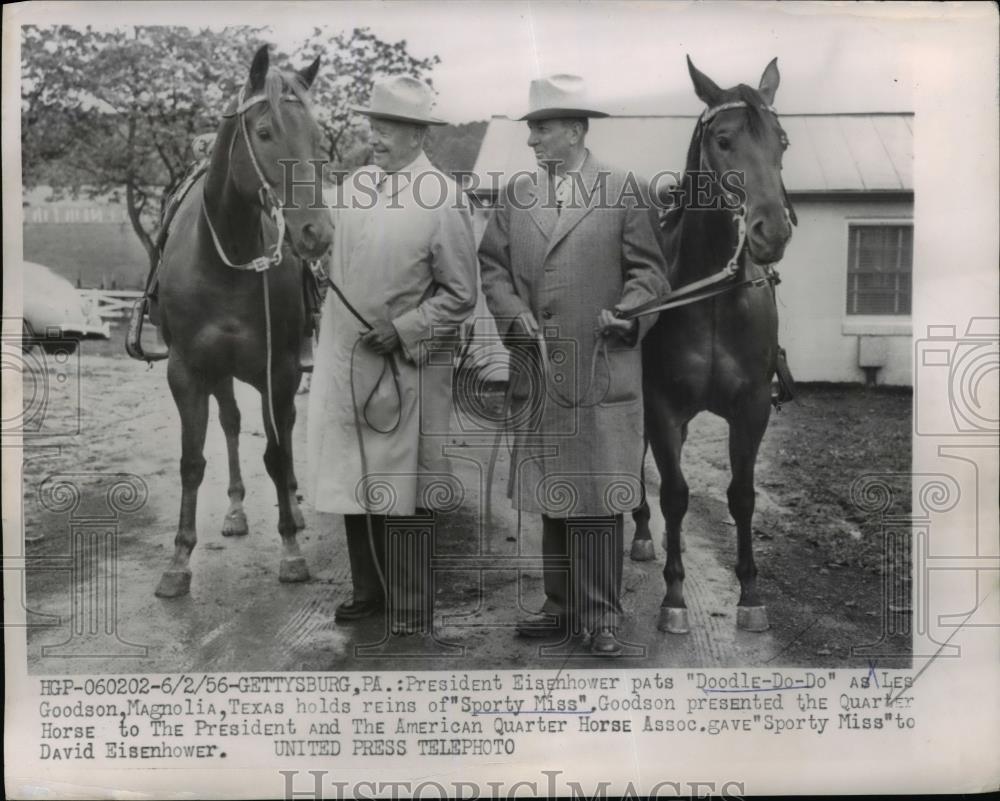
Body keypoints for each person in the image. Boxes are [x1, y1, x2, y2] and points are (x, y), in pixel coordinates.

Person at [478, 74, 669, 656]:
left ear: (576, 130)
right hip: (539, 368)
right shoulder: (515, 196)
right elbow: (493, 268)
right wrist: (513, 316)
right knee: (552, 494)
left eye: (542, 128)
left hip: (600, 367)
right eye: (532, 128)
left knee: (600, 497)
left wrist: (630, 315)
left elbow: (652, 275)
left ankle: (602, 617)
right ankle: (561, 610)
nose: (532, 139)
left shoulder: (624, 190)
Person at [306, 75, 478, 634]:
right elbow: (317, 242)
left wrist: (403, 329)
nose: (375, 136)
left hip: (405, 367)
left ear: (415, 135)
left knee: (405, 487)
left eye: (387, 128)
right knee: (356, 476)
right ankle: (368, 591)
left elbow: (460, 294)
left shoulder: (442, 199)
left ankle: (411, 601)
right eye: (373, 125)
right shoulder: (354, 187)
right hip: (346, 362)